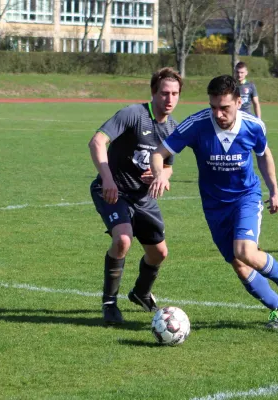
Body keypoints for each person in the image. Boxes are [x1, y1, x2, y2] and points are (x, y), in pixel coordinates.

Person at [149, 75, 278, 330]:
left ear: (238, 101)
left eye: (225, 107)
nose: (219, 113)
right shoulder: (197, 124)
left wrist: (274, 190)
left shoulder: (253, 126)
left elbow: (264, 155)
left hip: (246, 197)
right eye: (214, 107)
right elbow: (159, 153)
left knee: (244, 251)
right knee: (239, 264)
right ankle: (277, 308)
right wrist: (159, 173)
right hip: (214, 206)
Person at [88, 67, 182, 325]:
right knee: (123, 240)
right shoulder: (133, 114)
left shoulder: (173, 128)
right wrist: (107, 179)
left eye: (175, 94)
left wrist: (162, 175)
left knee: (159, 253)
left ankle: (141, 293)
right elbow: (96, 142)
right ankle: (109, 304)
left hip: (143, 198)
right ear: (153, 92)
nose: (169, 99)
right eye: (164, 93)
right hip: (113, 190)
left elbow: (168, 164)